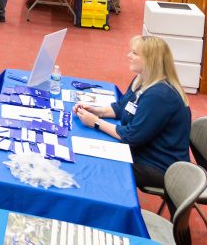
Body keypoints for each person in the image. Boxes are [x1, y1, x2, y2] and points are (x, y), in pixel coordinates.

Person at [74, 35, 191, 189]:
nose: (128, 55)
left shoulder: (159, 95)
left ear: (151, 61)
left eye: (135, 53)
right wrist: (98, 111)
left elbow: (131, 136)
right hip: (145, 151)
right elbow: (122, 107)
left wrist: (95, 122)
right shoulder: (142, 79)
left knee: (99, 168)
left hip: (159, 166)